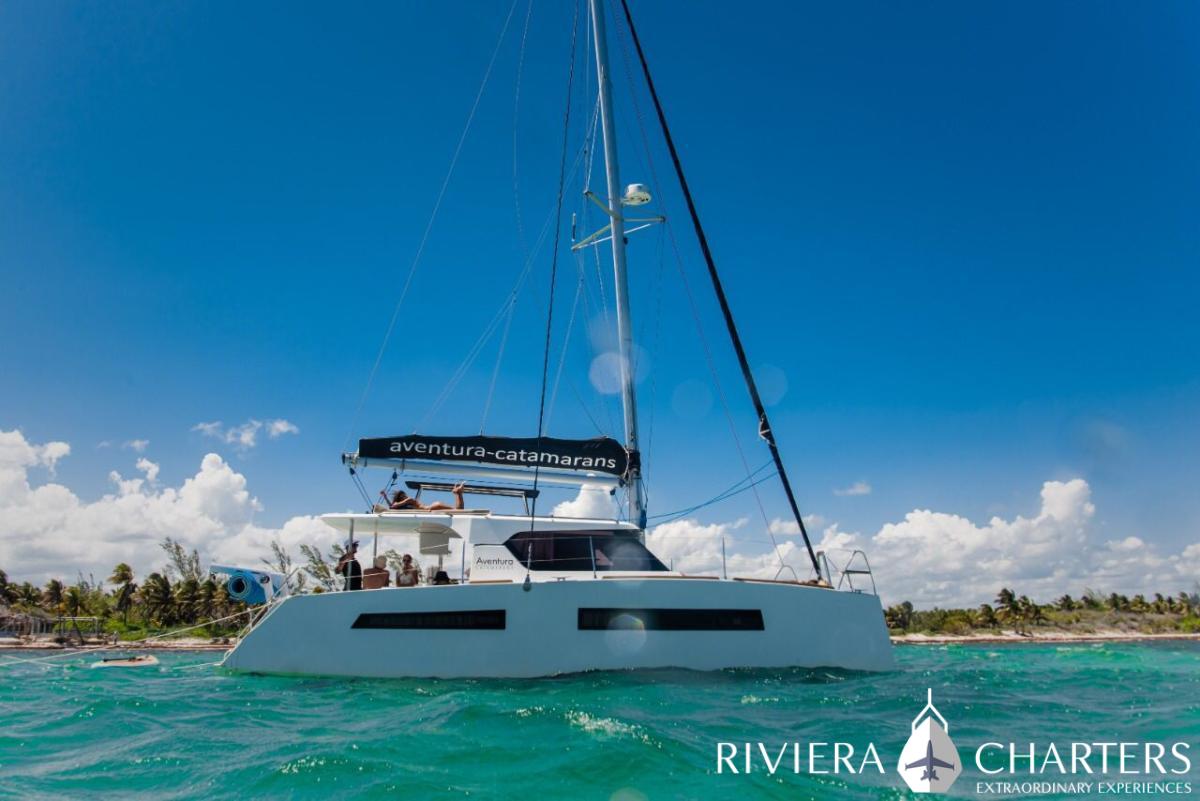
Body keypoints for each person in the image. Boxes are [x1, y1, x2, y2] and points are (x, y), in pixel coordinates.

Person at [390, 482, 467, 511]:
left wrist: (396, 504)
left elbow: (394, 506)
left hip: (432, 507)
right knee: (458, 510)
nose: (406, 496)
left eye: (405, 495)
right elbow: (408, 500)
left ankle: (458, 493)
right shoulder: (409, 503)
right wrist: (396, 504)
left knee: (458, 510)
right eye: (403, 496)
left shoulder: (409, 502)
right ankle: (458, 493)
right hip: (433, 506)